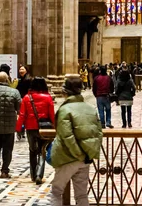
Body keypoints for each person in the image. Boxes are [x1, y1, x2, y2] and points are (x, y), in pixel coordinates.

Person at [49, 77, 103, 206]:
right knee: (81, 195)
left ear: (65, 91)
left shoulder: (65, 110)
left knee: (56, 191)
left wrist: (78, 154)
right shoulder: (90, 109)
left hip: (69, 157)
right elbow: (99, 133)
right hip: (85, 158)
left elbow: (66, 135)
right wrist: (89, 153)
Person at [16, 76, 55, 184]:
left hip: (30, 127)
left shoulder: (27, 98)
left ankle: (33, 175)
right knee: (43, 150)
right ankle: (39, 174)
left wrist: (18, 128)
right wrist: (55, 127)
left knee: (32, 151)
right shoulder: (48, 97)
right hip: (45, 128)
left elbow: (22, 114)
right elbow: (52, 115)